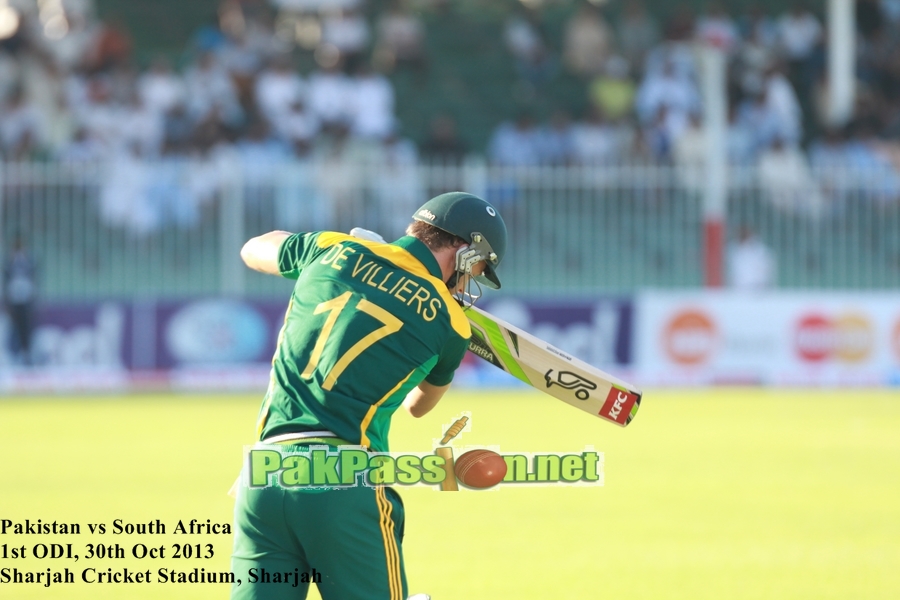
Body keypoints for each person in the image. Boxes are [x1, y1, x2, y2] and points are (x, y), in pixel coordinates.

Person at [231, 192, 508, 600]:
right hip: (344, 482)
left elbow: (252, 249)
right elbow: (419, 405)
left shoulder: (333, 248)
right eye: (477, 269)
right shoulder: (451, 323)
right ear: (464, 251)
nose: (470, 282)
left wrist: (357, 258)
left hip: (263, 478)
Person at [3, 235, 38, 366]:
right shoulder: (9, 263)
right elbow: (7, 281)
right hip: (14, 302)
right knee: (14, 329)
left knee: (26, 329)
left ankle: (26, 355)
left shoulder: (28, 262)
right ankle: (14, 355)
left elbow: (33, 278)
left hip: (25, 301)